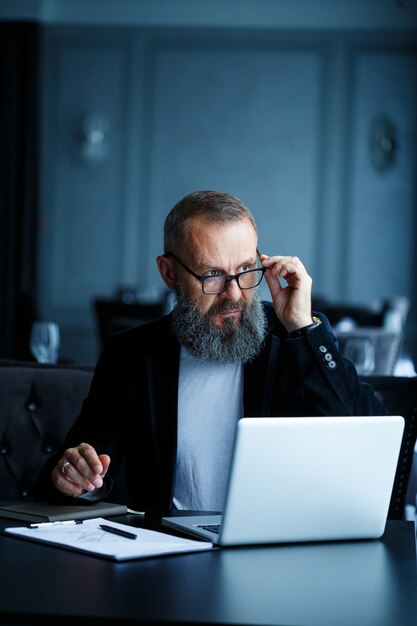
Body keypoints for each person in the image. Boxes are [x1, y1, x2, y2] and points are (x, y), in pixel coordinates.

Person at [36, 190, 385, 514]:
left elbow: (370, 443)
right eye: (214, 275)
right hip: (167, 560)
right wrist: (76, 479)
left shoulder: (297, 340)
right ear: (169, 273)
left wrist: (303, 328)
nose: (234, 294)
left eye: (247, 270)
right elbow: (79, 472)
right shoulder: (130, 355)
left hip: (283, 558)